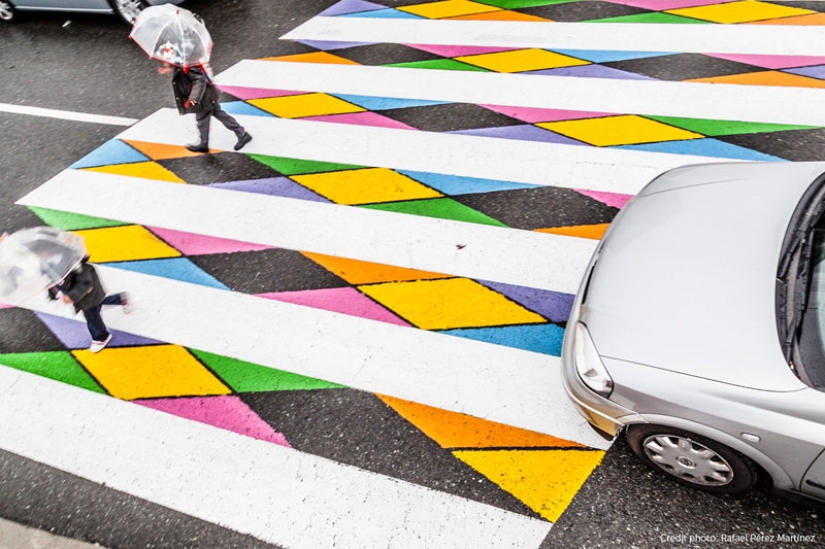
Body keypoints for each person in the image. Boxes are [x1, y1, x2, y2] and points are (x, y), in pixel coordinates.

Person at [162, 61, 252, 153]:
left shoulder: (189, 64)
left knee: (202, 120)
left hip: (203, 97)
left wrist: (194, 98)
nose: (164, 62)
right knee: (219, 114)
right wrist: (171, 68)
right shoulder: (183, 62)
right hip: (207, 94)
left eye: (165, 60)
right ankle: (242, 134)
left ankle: (204, 144)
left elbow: (199, 80)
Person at [50, 256, 132, 353]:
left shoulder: (75, 262)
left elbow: (85, 282)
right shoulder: (49, 265)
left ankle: (101, 337)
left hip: (88, 293)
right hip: (82, 293)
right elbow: (51, 282)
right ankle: (120, 299)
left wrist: (71, 296)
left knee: (92, 315)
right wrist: (56, 293)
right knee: (98, 302)